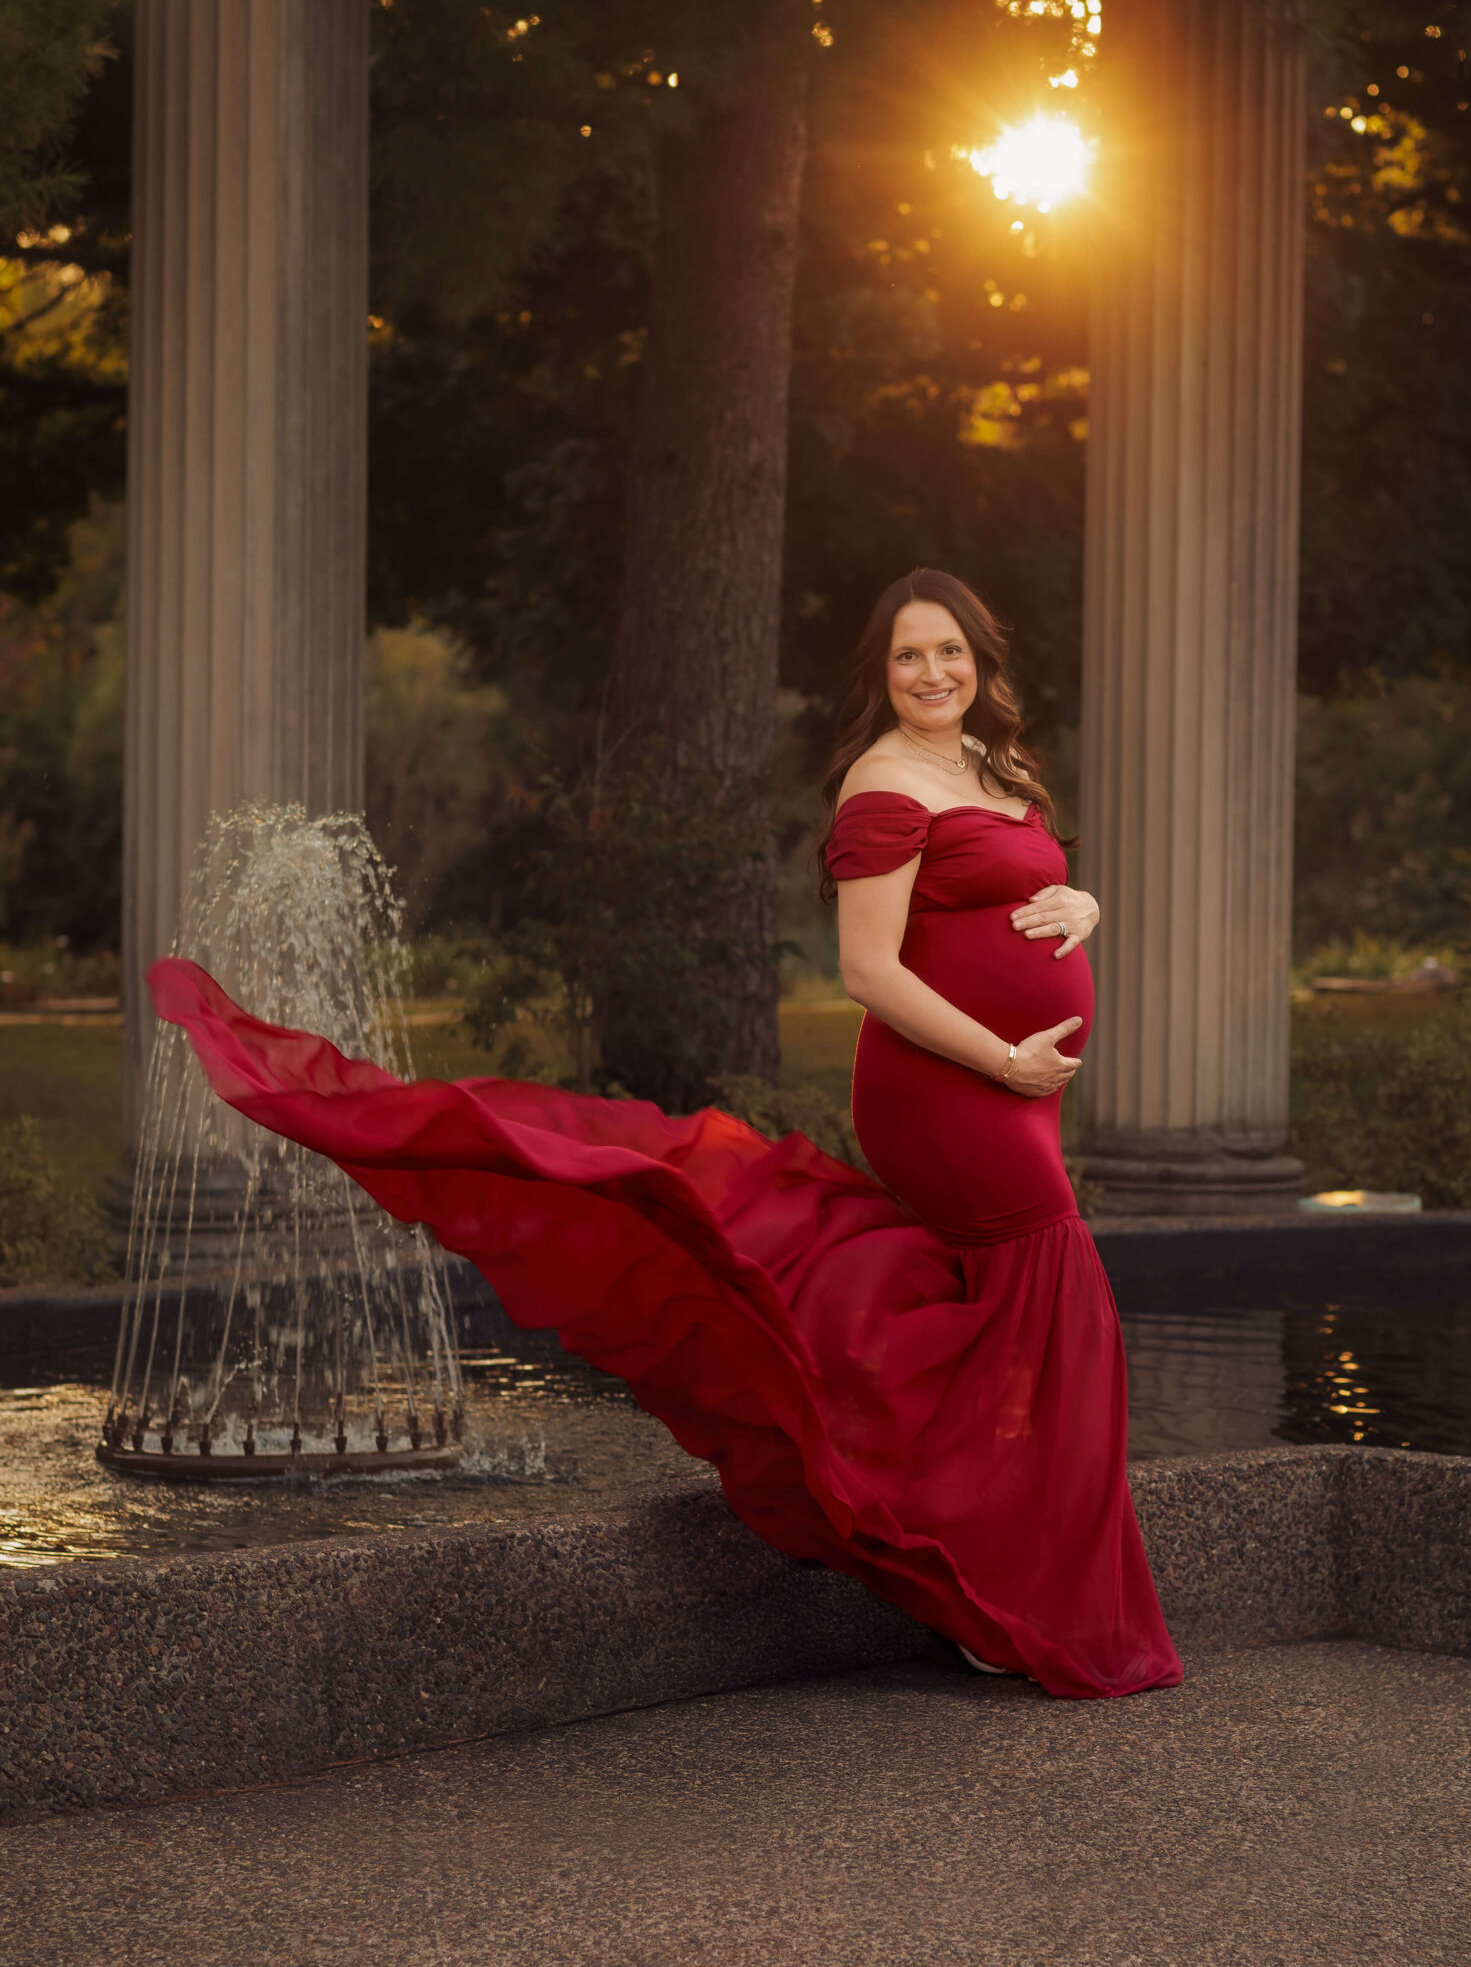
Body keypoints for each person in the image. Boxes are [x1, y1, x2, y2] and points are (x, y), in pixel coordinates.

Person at [150, 566, 1180, 1698]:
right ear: (879, 674)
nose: (932, 673)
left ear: (981, 660)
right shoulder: (881, 783)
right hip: (954, 1083)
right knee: (1052, 1282)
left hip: (1022, 1079)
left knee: (1001, 1318)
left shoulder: (996, 765)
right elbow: (867, 969)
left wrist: (1082, 907)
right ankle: (1004, 1588)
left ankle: (981, 1566)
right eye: (906, 655)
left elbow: (1034, 884)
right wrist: (1004, 1058)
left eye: (950, 652)